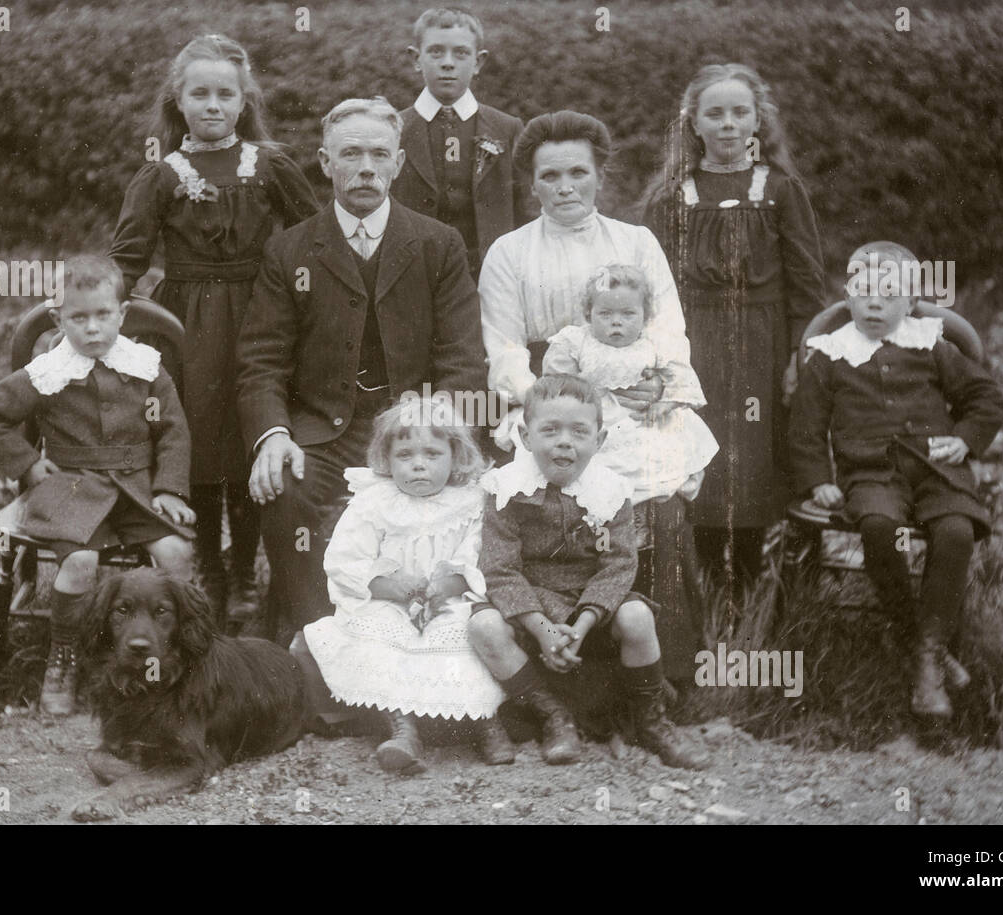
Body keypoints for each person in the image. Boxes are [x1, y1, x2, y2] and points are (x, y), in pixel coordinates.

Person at [235, 96, 487, 644]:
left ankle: (429, 652)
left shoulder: (438, 245)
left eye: (379, 154)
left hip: (413, 429)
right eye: (351, 154)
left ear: (398, 163)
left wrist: (431, 423)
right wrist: (272, 435)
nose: (366, 167)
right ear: (326, 163)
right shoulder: (290, 249)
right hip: (325, 430)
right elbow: (261, 360)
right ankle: (320, 651)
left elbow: (464, 355)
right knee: (284, 487)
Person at [478, 109, 708, 680]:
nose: (565, 187)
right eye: (550, 176)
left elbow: (667, 327)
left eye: (577, 173)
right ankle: (572, 677)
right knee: (549, 514)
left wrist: (659, 384)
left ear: (599, 176)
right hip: (547, 403)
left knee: (662, 507)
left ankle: (667, 674)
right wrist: (551, 409)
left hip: (633, 402)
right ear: (531, 183)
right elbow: (503, 346)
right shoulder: (509, 252)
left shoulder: (637, 242)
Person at [110, 34, 319, 622]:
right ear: (178, 101)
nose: (212, 105)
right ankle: (208, 566)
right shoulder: (160, 174)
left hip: (261, 313)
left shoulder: (269, 163)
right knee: (198, 442)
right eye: (199, 93)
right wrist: (92, 309)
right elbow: (126, 257)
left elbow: (313, 236)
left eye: (225, 94)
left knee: (250, 434)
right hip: (185, 324)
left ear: (243, 99)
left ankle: (246, 566)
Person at [0, 255, 195, 715]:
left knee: (176, 552)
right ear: (58, 318)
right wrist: (29, 466)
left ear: (122, 315)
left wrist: (169, 488)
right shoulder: (49, 372)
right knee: (80, 564)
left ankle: (172, 652)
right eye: (78, 317)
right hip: (69, 486)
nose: (92, 329)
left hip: (137, 486)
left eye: (103, 315)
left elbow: (173, 430)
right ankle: (64, 656)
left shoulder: (145, 366)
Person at [788, 241, 1003, 719]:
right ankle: (923, 650)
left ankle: (926, 652)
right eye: (863, 291)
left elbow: (984, 397)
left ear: (910, 303)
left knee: (955, 531)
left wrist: (965, 440)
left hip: (936, 469)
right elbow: (804, 428)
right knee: (877, 529)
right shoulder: (830, 354)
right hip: (870, 473)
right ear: (848, 298)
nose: (873, 302)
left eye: (889, 293)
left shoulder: (932, 345)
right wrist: (817, 481)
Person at [640, 63, 826, 593]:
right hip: (693, 347)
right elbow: (651, 290)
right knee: (704, 460)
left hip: (763, 350)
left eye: (739, 112)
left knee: (757, 463)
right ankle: (704, 593)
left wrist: (799, 355)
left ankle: (755, 587)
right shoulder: (673, 196)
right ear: (693, 123)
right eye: (714, 113)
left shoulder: (781, 189)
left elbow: (808, 284)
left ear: (757, 120)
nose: (727, 124)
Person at [468, 375, 709, 769]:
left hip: (590, 609)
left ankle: (651, 721)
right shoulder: (505, 490)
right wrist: (543, 630)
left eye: (580, 431)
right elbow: (501, 570)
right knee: (484, 626)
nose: (565, 441)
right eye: (550, 430)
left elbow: (618, 564)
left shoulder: (611, 490)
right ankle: (552, 716)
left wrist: (581, 624)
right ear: (526, 437)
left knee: (638, 615)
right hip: (530, 609)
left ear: (598, 441)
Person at [301, 399, 512, 772]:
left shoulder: (470, 502)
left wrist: (447, 584)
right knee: (379, 641)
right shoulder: (374, 502)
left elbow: (478, 553)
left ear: (456, 455)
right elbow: (344, 559)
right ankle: (403, 728)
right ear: (386, 458)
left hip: (451, 600)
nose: (418, 464)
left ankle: (485, 723)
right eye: (404, 454)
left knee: (462, 638)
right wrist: (388, 584)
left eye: (432, 453)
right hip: (388, 602)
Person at [536, 263, 719, 505]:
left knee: (656, 461)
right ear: (589, 313)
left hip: (644, 420)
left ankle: (642, 505)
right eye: (605, 314)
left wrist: (665, 404)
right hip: (594, 420)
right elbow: (555, 383)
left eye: (628, 314)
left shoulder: (655, 342)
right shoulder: (576, 341)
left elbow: (681, 376)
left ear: (645, 315)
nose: (616, 322)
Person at [391, 6, 531, 279]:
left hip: (489, 277)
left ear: (478, 62)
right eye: (435, 51)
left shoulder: (508, 128)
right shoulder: (392, 129)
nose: (447, 63)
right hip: (411, 276)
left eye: (461, 53)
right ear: (415, 58)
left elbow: (524, 212)